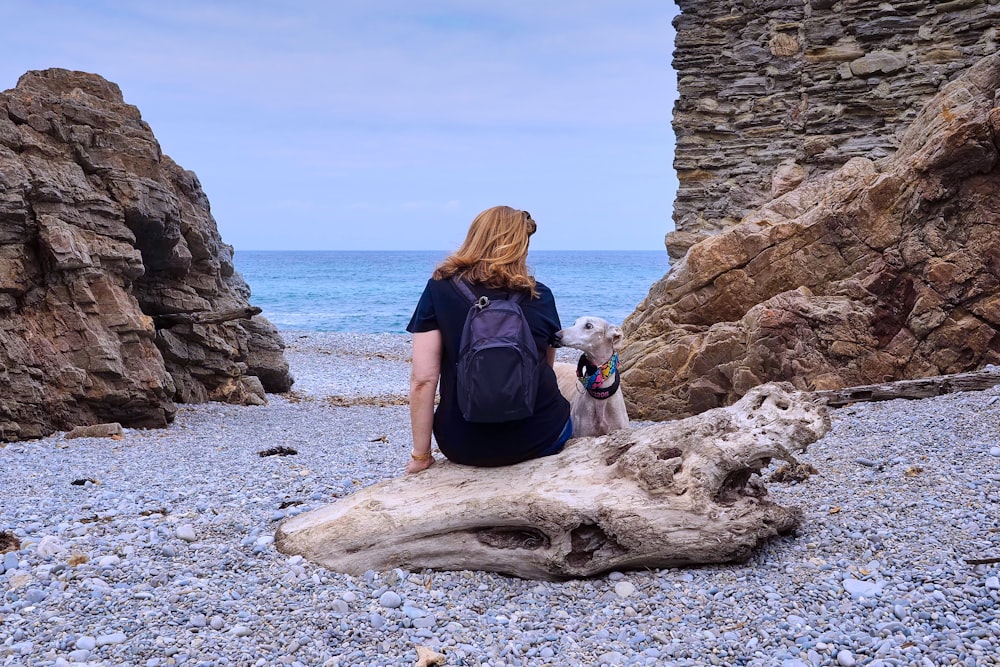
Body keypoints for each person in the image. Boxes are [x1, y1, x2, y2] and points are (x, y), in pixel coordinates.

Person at [405, 206, 572, 473]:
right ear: (519, 246)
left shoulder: (439, 288)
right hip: (541, 437)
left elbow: (423, 379)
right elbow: (544, 367)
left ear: (475, 237)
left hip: (464, 444)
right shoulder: (540, 295)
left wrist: (420, 457)